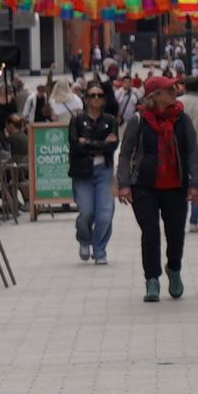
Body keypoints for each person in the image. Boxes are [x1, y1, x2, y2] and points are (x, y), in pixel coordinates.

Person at [118, 71, 198, 303]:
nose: (175, 92)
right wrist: (124, 184)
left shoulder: (182, 119)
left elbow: (191, 152)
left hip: (175, 186)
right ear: (156, 96)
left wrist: (195, 183)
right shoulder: (138, 121)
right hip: (144, 187)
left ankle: (174, 269)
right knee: (150, 233)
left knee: (175, 233)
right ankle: (152, 279)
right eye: (170, 90)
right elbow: (126, 153)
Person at [70, 77, 120, 265]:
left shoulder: (110, 120)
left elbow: (113, 145)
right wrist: (101, 144)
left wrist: (89, 143)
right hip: (83, 171)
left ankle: (100, 249)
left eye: (100, 95)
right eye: (92, 95)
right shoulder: (77, 120)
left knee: (105, 213)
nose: (96, 98)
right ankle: (84, 238)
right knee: (86, 212)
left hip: (104, 169)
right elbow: (75, 145)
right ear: (86, 98)